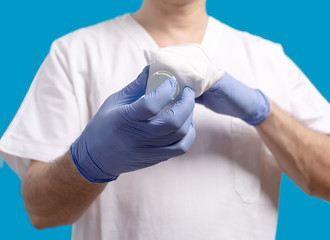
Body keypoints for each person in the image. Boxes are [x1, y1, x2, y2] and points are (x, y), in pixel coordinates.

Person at [1, 0, 330, 239]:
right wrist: (89, 161)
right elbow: (41, 212)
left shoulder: (267, 58)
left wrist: (262, 111)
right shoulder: (74, 54)